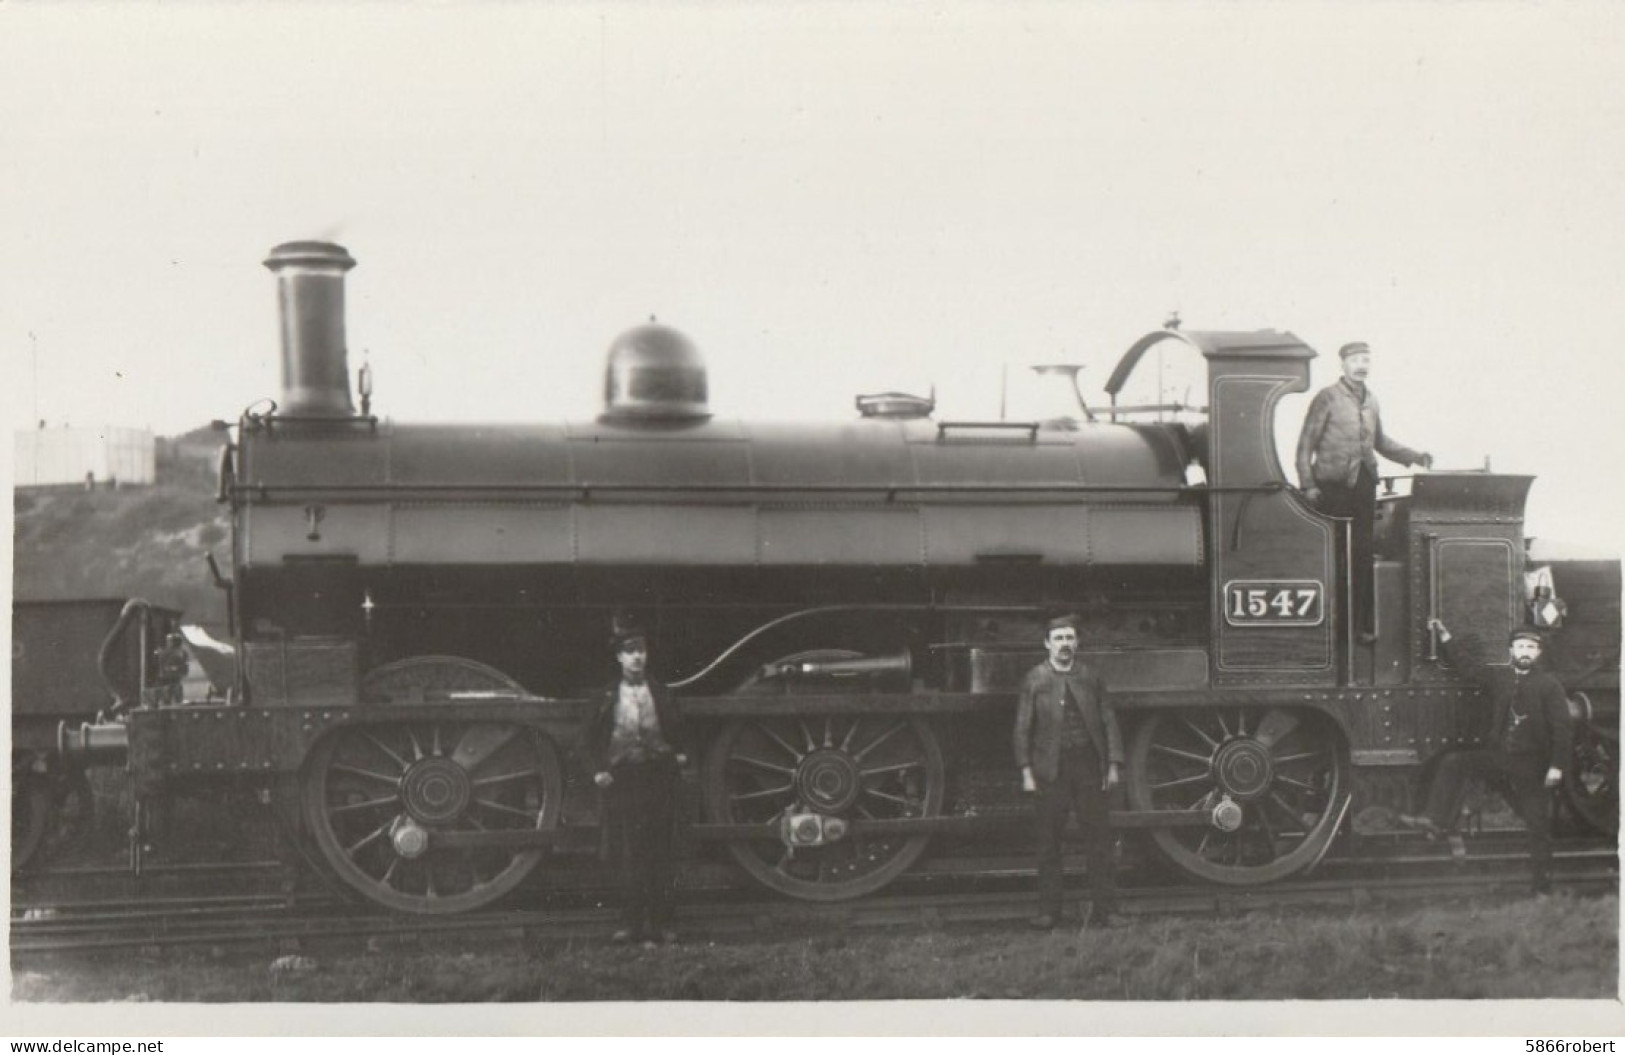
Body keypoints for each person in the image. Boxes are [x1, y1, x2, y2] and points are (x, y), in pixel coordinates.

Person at [1400, 621, 1572, 894]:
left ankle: (1542, 888)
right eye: (1520, 646)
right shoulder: (1500, 677)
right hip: (1499, 758)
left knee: (1538, 825)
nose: (1525, 651)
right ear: (1511, 650)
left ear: (1538, 653)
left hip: (1532, 765)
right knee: (1455, 762)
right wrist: (1446, 637)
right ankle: (1435, 819)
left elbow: (1563, 729)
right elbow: (1469, 669)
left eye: (1530, 647)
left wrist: (1556, 767)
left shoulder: (1549, 685)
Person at [1294, 341, 1432, 642]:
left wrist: (1414, 456)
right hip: (1332, 488)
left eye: (1366, 360)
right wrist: (1308, 485)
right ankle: (1335, 628)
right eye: (1355, 359)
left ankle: (1362, 627)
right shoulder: (1327, 398)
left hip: (1364, 484)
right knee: (1337, 555)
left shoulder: (1372, 399)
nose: (1361, 365)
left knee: (1363, 553)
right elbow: (1305, 445)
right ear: (1342, 364)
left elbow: (1381, 442)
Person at [580, 615, 690, 945]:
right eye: (629, 651)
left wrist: (681, 755)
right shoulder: (604, 698)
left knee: (660, 852)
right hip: (622, 780)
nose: (637, 657)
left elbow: (682, 731)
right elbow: (585, 740)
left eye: (641, 650)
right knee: (626, 853)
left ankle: (659, 924)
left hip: (657, 777)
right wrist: (597, 770)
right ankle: (630, 923)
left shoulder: (664, 694)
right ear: (619, 658)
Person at [1013, 614, 1124, 930]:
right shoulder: (1034, 679)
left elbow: (1108, 720)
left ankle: (1108, 910)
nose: (1064, 644)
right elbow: (1022, 728)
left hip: (1089, 766)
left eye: (1069, 638)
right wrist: (1025, 771)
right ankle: (1049, 912)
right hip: (1050, 770)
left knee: (1098, 840)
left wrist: (1113, 764)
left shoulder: (1091, 677)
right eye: (1058, 638)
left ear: (1077, 643)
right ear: (1047, 643)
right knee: (1048, 842)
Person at [155, 632, 189, 706]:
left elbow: (184, 664)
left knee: (172, 689)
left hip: (170, 675)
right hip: (171, 675)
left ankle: (172, 701)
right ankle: (173, 701)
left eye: (170, 641)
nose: (169, 642)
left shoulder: (168, 652)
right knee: (172, 689)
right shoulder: (181, 651)